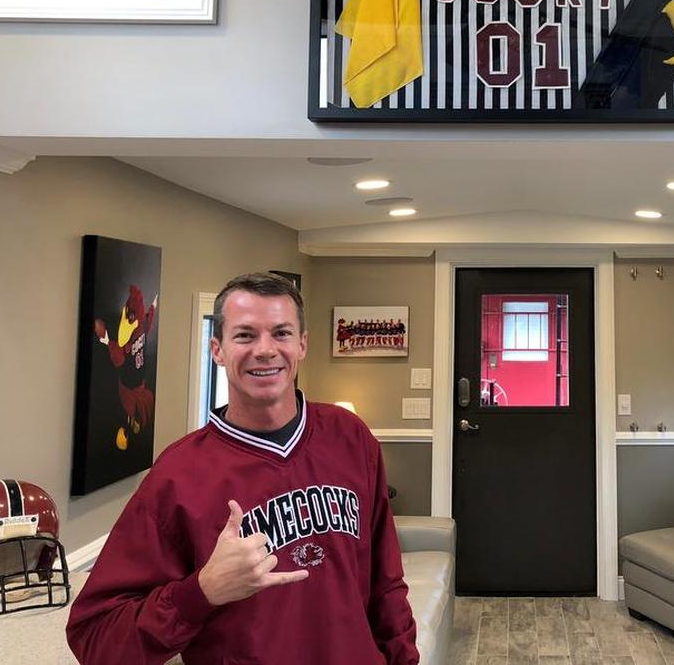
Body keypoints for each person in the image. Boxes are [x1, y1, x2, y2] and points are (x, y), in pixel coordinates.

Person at [66, 273, 418, 664]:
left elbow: (386, 583)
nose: (265, 350)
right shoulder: (178, 475)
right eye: (245, 335)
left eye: (281, 333)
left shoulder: (351, 437)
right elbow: (95, 636)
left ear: (302, 344)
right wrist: (201, 592)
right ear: (216, 350)